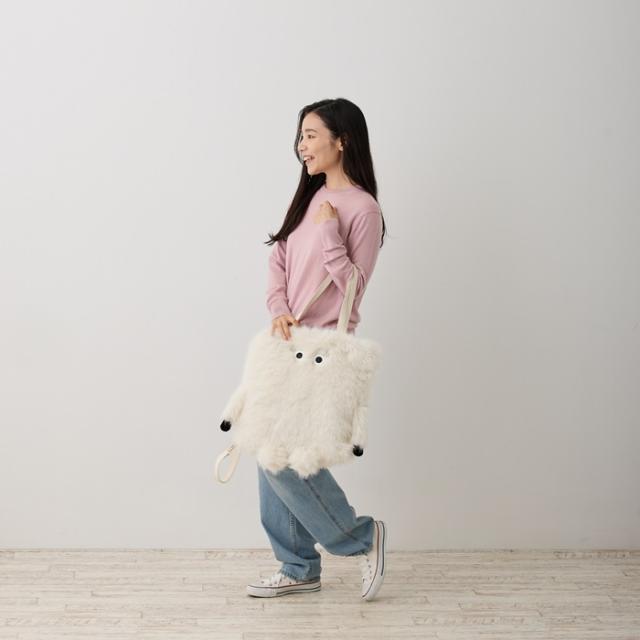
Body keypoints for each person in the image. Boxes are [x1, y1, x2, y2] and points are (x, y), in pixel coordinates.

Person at [246, 98, 388, 601]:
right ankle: (298, 565)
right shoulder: (310, 198)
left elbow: (353, 287)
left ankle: (362, 537)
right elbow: (279, 259)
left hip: (323, 349)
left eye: (310, 135)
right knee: (269, 451)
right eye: (300, 136)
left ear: (341, 140)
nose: (301, 146)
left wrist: (330, 232)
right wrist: (278, 308)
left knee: (286, 456)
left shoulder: (363, 210)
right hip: (287, 342)